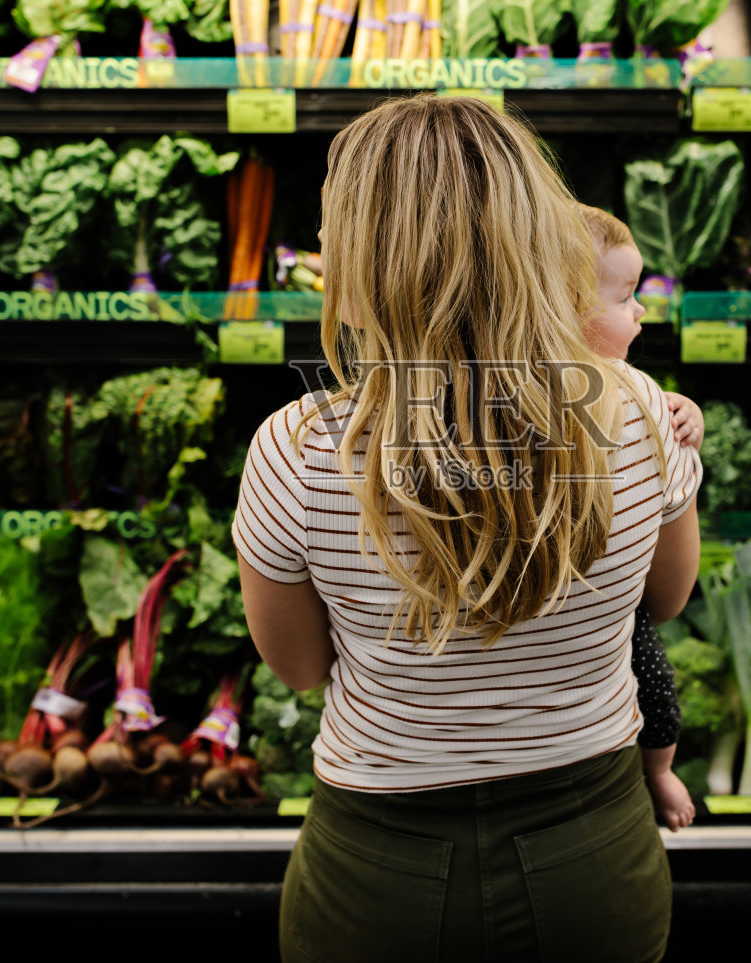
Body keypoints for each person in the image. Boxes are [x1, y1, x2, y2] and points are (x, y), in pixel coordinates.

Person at [233, 94, 702, 963]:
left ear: (369, 266)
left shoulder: (295, 449)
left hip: (374, 868)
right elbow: (665, 600)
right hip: (591, 853)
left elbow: (301, 668)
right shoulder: (641, 413)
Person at [578, 203, 703, 833]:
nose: (641, 311)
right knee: (650, 679)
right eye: (626, 296)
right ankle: (654, 771)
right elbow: (669, 598)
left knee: (655, 692)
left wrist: (686, 415)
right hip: (607, 602)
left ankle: (657, 769)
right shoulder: (626, 397)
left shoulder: (634, 387)